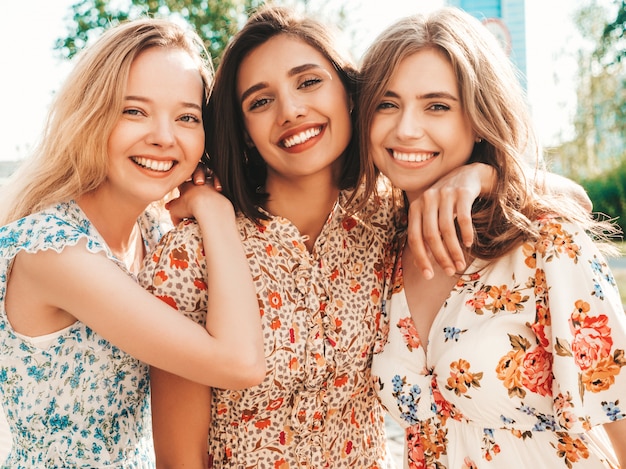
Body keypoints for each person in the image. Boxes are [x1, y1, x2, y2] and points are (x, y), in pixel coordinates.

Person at [361, 7, 626, 468]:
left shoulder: (546, 242)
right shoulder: (378, 245)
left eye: (437, 105)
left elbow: (620, 413)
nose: (406, 128)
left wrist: (489, 176)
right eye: (387, 103)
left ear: (479, 117)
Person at [0, 18, 265, 468]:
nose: (164, 136)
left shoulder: (155, 234)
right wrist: (214, 212)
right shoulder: (53, 250)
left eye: (186, 117)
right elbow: (240, 363)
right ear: (92, 116)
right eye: (134, 111)